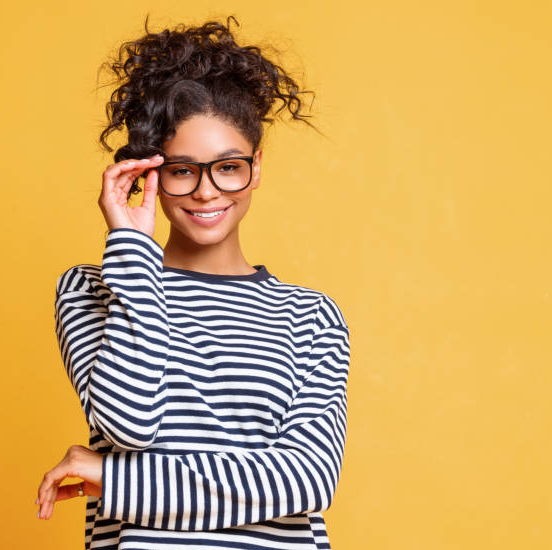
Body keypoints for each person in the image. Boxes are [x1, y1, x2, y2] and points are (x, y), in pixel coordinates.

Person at [36, 14, 351, 550]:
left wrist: (119, 481)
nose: (206, 192)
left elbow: (308, 479)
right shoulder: (93, 291)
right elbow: (130, 423)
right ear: (148, 176)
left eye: (228, 166)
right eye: (182, 170)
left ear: (256, 164)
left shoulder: (311, 316)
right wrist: (132, 249)